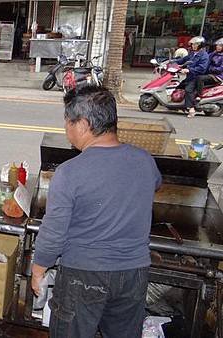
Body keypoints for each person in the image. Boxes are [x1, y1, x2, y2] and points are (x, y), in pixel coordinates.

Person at [31, 86, 162, 338]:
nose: (66, 129)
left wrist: (39, 270)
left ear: (83, 124)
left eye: (68, 122)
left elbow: (54, 231)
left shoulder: (69, 172)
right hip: (133, 274)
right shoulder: (145, 160)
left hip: (83, 275)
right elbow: (154, 183)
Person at [174, 36, 209, 118]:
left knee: (188, 89)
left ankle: (191, 108)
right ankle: (179, 105)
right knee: (178, 87)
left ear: (201, 45)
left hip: (196, 77)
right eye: (193, 44)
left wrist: (189, 70)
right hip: (190, 77)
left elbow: (202, 68)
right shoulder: (192, 53)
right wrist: (171, 62)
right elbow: (183, 60)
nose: (193, 46)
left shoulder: (204, 55)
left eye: (196, 44)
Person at [195, 38, 223, 107]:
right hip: (209, 74)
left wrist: (210, 69)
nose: (218, 47)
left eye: (220, 46)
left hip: (218, 76)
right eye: (217, 45)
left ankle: (199, 96)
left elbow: (220, 69)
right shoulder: (213, 54)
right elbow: (205, 59)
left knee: (200, 78)